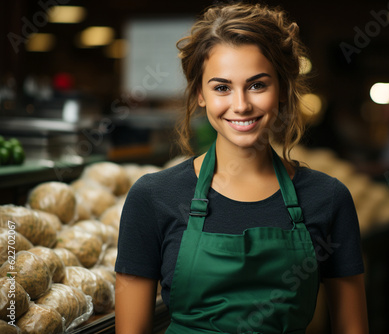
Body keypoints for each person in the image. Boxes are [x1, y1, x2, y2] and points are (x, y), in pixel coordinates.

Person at [114, 2, 368, 333]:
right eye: (222, 87)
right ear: (200, 94)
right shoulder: (153, 197)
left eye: (257, 85)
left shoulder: (328, 199)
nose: (241, 105)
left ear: (281, 89)